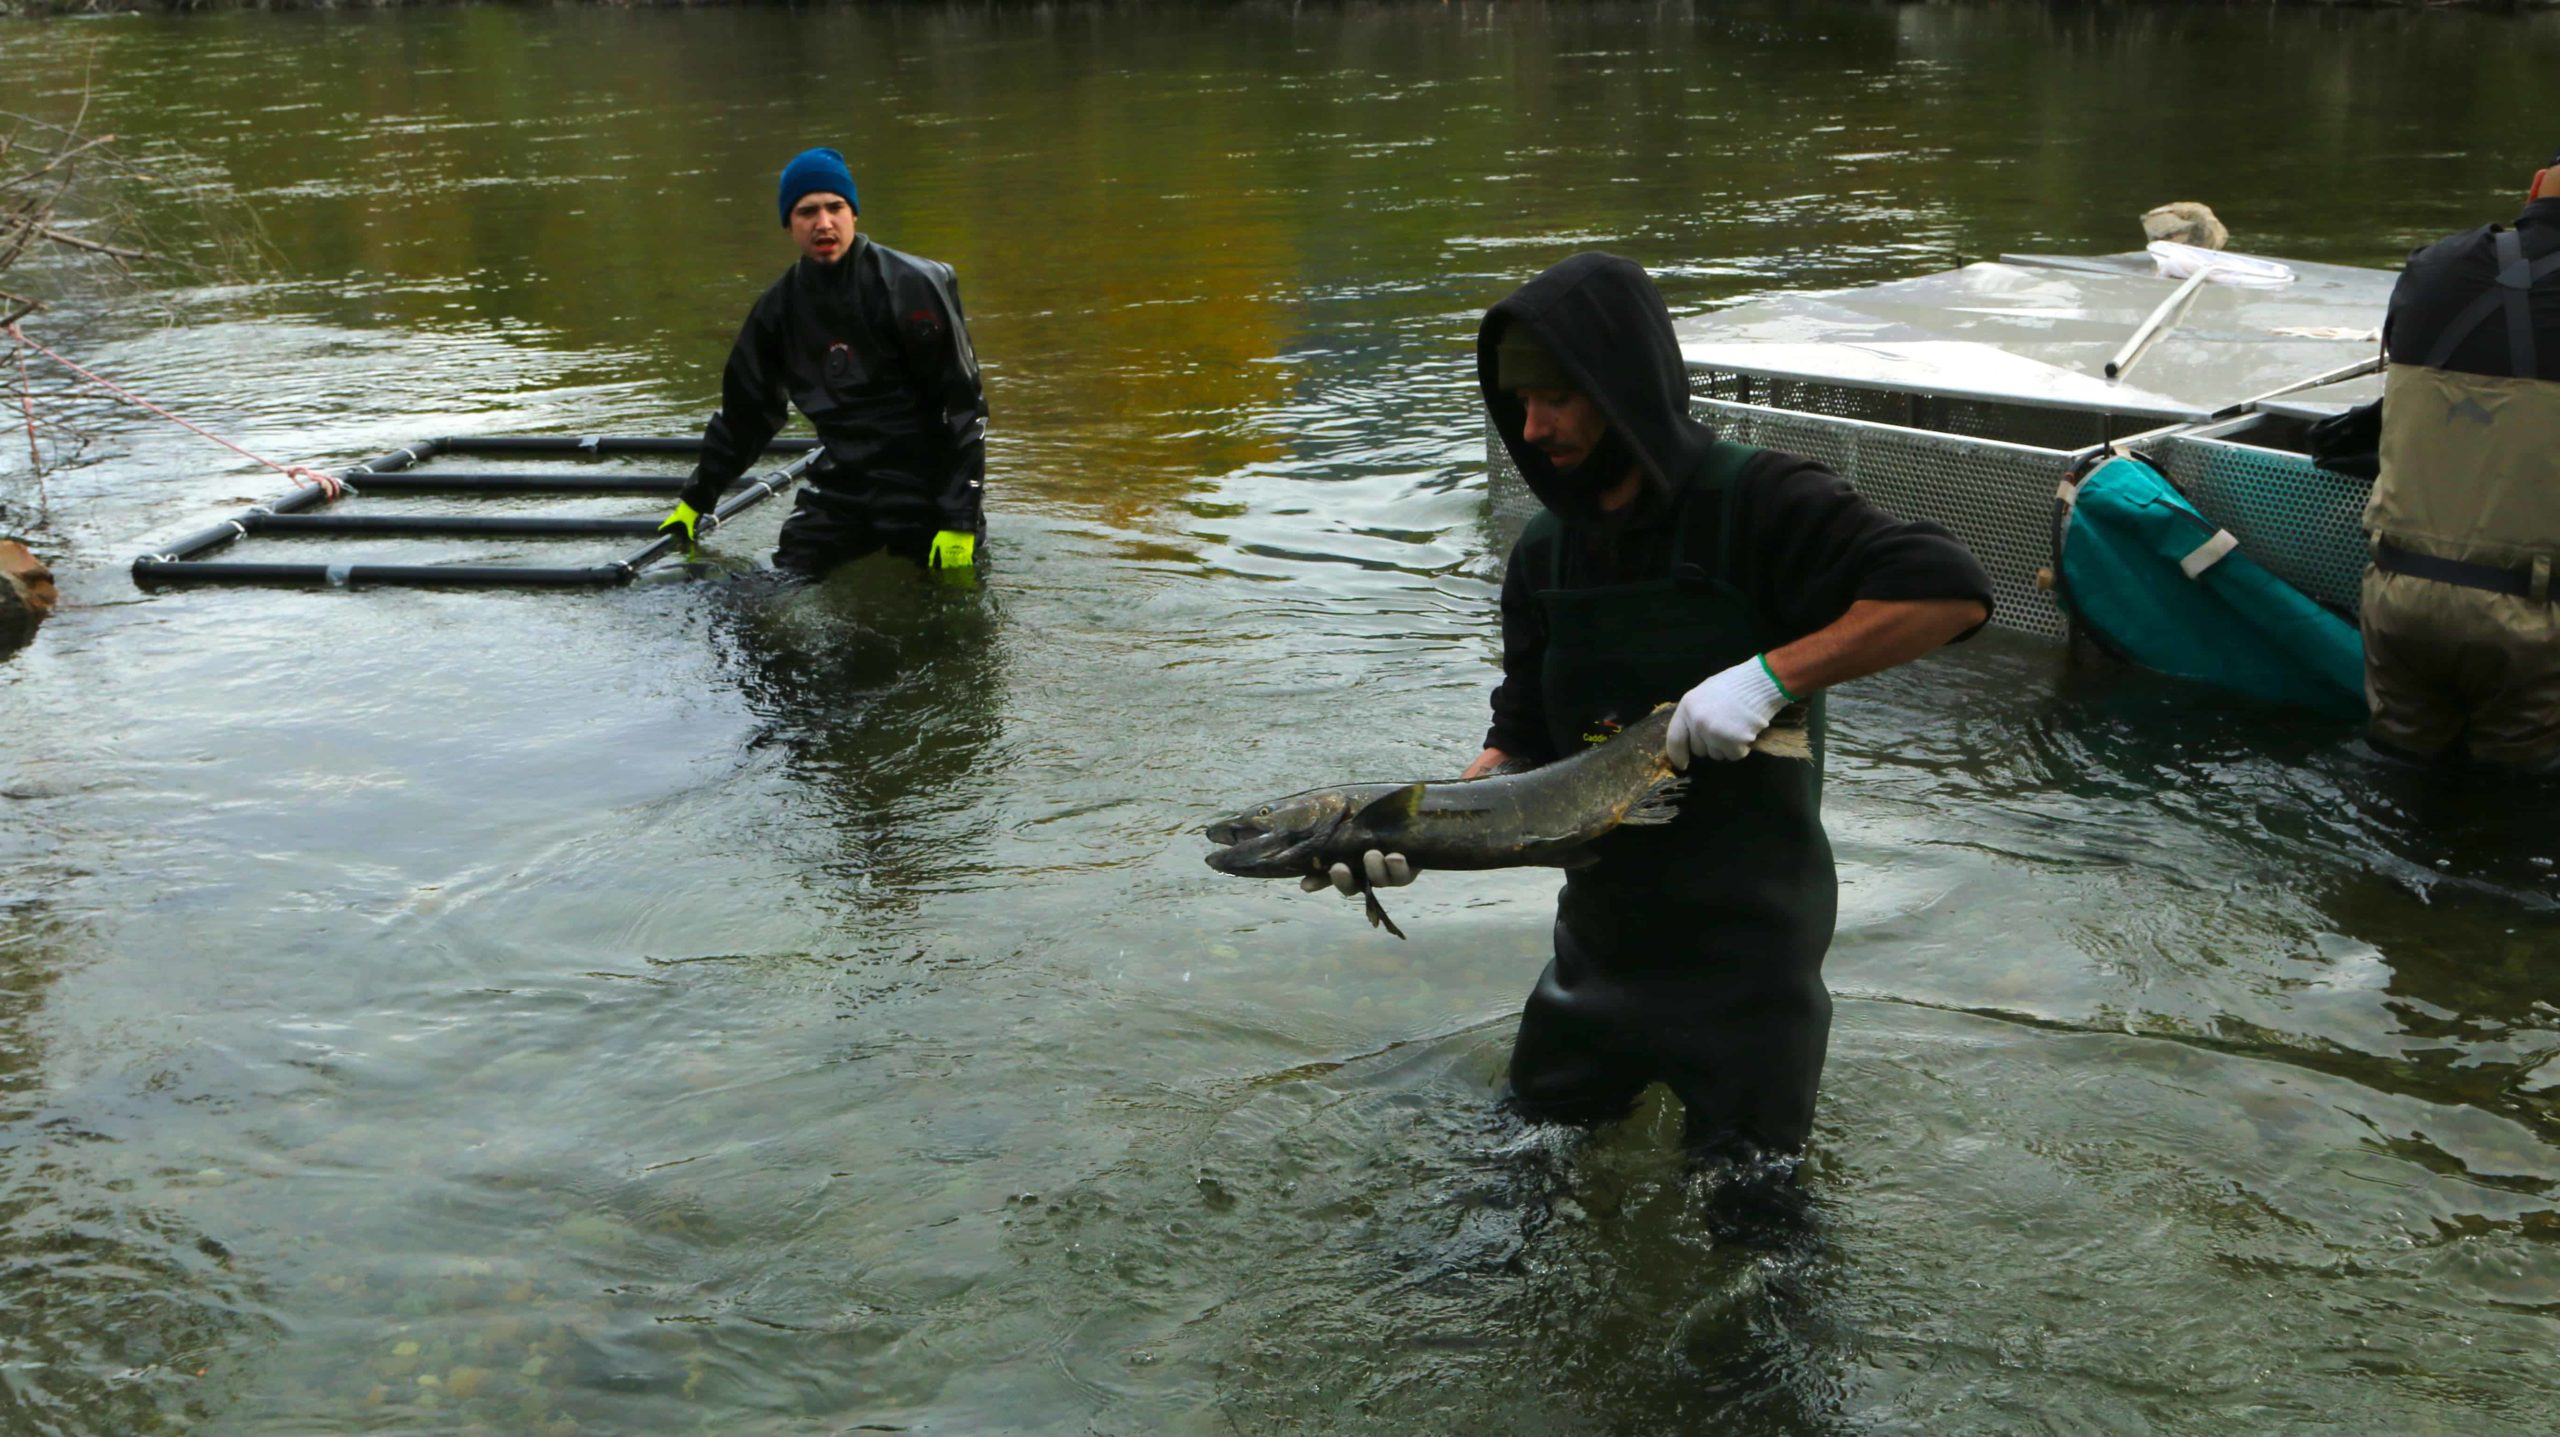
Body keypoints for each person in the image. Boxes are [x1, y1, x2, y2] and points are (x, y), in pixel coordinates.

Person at [1310, 252, 1992, 1180]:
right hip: (1597, 958)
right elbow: (1517, 749)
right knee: (1507, 1200)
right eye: (1517, 400)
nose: (1532, 424)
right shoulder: (1543, 555)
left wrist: (1765, 677)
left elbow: (1948, 592)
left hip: (1751, 969)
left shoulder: (1761, 501)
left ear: (1623, 383)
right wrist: (1412, 836)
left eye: (1559, 396)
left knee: (1757, 1246)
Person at [661, 147, 988, 583]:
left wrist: (959, 518)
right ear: (789, 224)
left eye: (835, 207)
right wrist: (697, 497)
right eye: (807, 211)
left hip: (924, 490)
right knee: (774, 595)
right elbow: (747, 415)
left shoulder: (913, 286)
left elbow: (964, 408)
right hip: (843, 489)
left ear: (853, 213)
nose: (824, 223)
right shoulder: (776, 311)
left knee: (949, 626)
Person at [2361, 149, 2560, 770]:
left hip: (2396, 595)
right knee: (2510, 813)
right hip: (2527, 616)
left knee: (2399, 782)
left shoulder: (2430, 266)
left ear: (2533, 188)